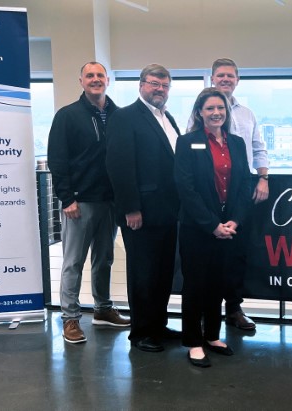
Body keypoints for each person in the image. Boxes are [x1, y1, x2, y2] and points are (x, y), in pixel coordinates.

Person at [47, 61, 130, 344]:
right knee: (73, 262)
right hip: (79, 204)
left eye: (100, 75)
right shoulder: (67, 116)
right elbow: (57, 160)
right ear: (81, 81)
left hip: (111, 202)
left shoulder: (120, 116)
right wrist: (67, 198)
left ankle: (103, 309)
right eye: (90, 75)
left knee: (105, 259)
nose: (95, 79)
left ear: (108, 80)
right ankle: (70, 318)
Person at [186, 58, 268, 331]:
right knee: (206, 264)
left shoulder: (247, 113)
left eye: (230, 76)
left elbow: (258, 147)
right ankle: (204, 318)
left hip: (238, 193)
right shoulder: (201, 110)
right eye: (220, 75)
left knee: (234, 259)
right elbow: (190, 150)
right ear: (212, 79)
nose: (225, 79)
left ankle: (233, 309)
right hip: (208, 196)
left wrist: (263, 177)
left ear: (237, 80)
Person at [175, 88, 254, 367]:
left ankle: (211, 335)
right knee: (196, 285)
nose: (216, 113)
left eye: (220, 108)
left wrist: (235, 220)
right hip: (198, 228)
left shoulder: (236, 143)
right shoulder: (187, 143)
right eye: (209, 108)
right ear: (199, 113)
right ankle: (193, 342)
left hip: (228, 228)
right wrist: (212, 225)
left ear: (226, 111)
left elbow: (245, 184)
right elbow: (186, 189)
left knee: (218, 285)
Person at [106, 63, 181, 353]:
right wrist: (130, 208)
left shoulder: (167, 117)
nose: (159, 89)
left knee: (163, 273)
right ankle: (140, 333)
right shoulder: (125, 117)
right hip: (141, 213)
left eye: (164, 86)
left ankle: (158, 325)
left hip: (168, 211)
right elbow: (119, 166)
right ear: (141, 85)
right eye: (153, 84)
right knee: (143, 273)